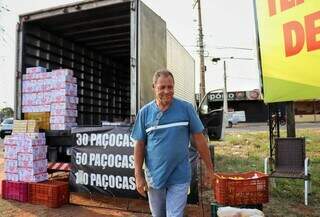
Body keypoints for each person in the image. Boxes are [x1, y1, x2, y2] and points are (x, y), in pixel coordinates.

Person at [131, 69, 214, 217]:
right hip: (155, 176)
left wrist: (209, 169)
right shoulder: (144, 113)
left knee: (174, 215)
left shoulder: (186, 109)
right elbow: (139, 145)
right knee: (158, 215)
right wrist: (138, 175)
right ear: (154, 88)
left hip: (180, 175)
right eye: (162, 87)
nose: (167, 91)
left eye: (170, 87)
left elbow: (199, 140)